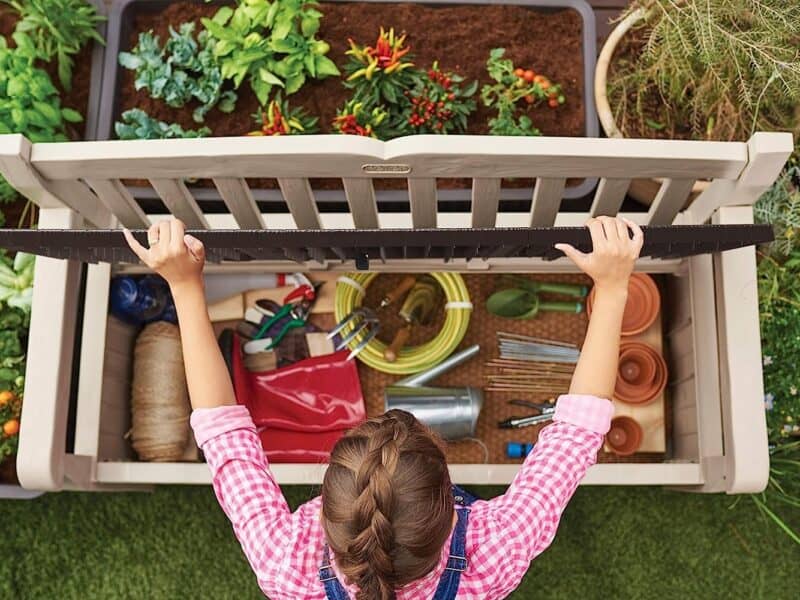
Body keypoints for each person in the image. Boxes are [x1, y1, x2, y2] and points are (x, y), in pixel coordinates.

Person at [123, 215, 643, 600]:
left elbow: (222, 433)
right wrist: (615, 285)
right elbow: (575, 433)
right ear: (451, 503)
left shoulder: (287, 563)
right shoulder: (493, 553)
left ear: (322, 512)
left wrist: (184, 286)